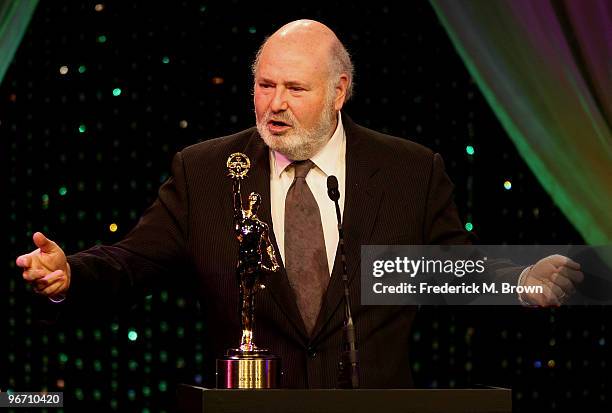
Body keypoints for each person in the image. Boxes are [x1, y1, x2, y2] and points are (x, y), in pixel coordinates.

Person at [16, 19, 583, 388]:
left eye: (295, 89)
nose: (275, 105)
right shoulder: (207, 171)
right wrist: (73, 276)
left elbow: (447, 272)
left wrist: (517, 280)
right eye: (265, 86)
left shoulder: (408, 169)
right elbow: (133, 262)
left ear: (338, 92)